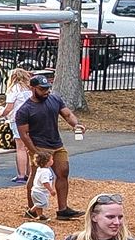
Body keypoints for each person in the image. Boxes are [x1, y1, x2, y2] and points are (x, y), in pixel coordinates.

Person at [11, 73, 83, 219]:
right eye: (42, 89)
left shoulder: (54, 99)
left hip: (56, 143)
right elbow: (24, 134)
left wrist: (76, 124)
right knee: (36, 176)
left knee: (63, 172)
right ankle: (32, 210)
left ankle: (63, 209)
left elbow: (67, 114)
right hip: (39, 146)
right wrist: (35, 152)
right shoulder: (25, 110)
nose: (46, 91)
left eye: (47, 88)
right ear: (33, 88)